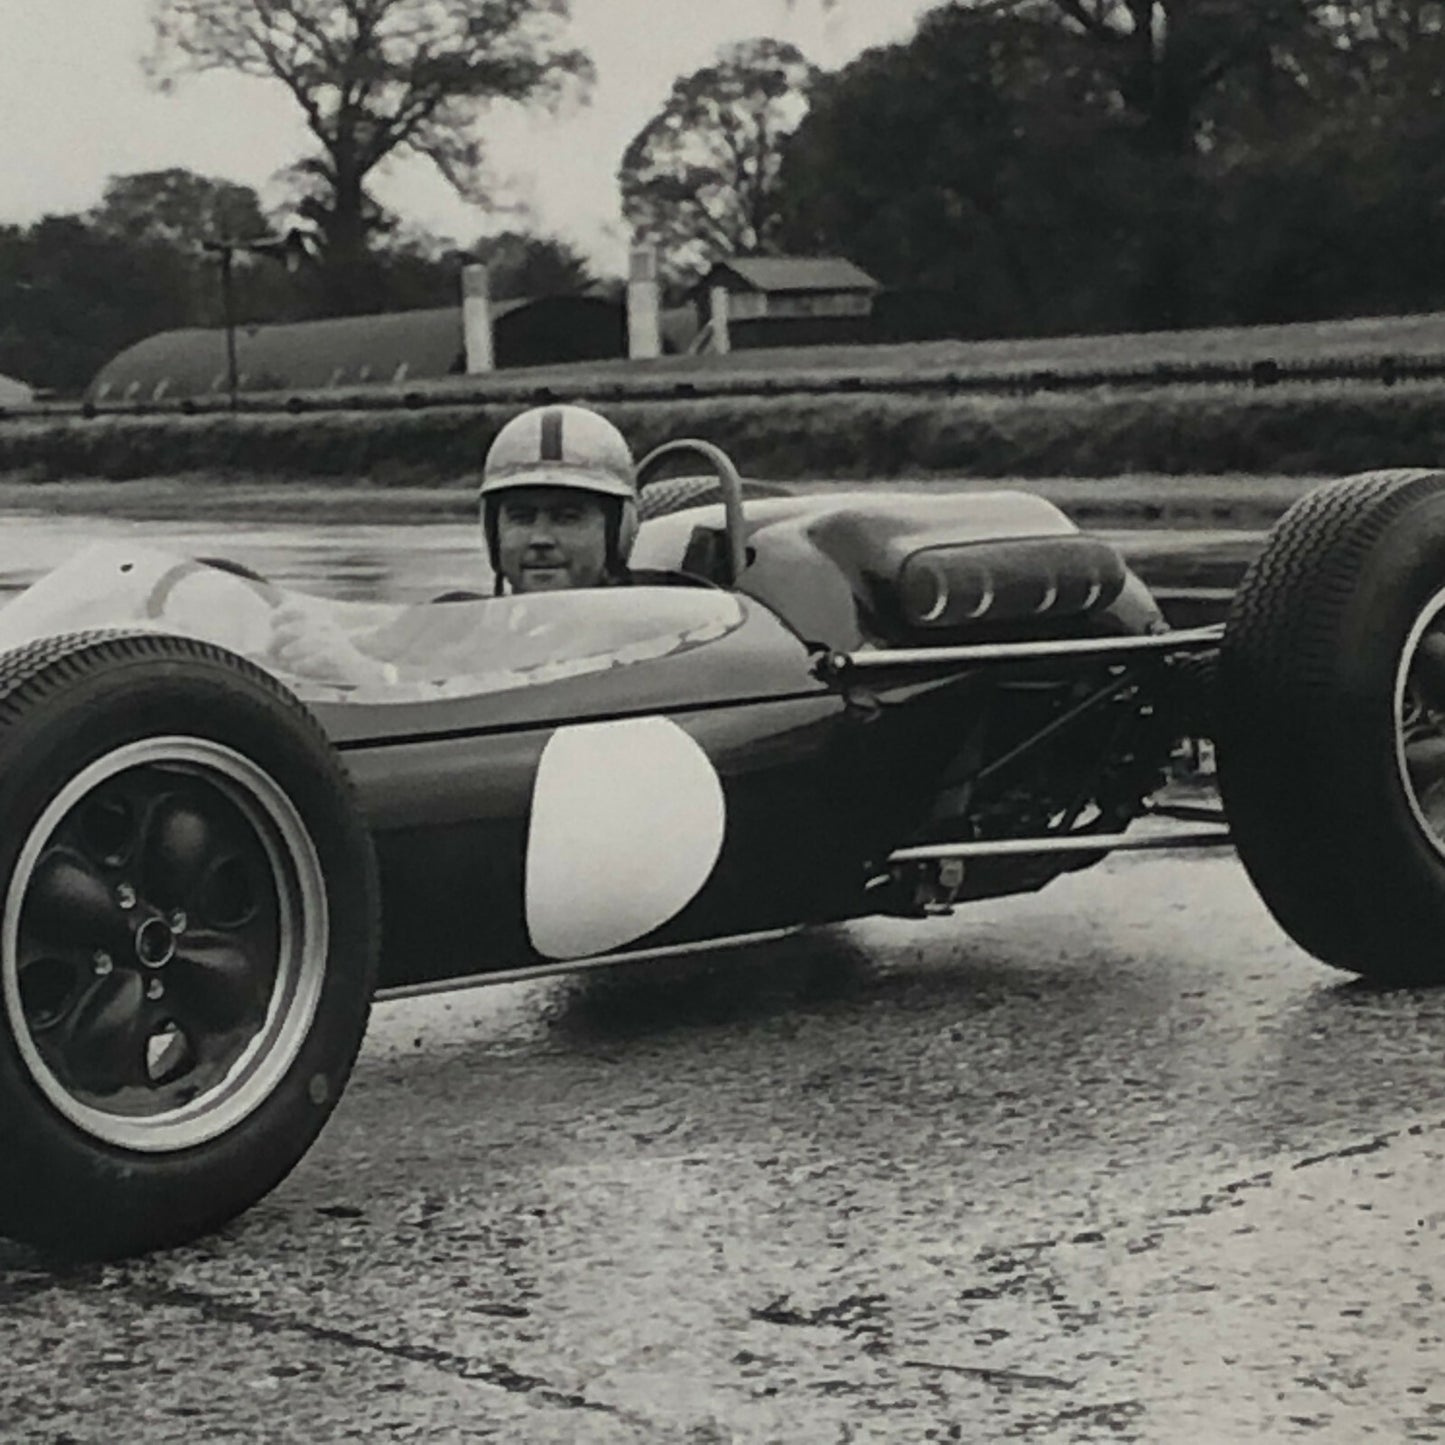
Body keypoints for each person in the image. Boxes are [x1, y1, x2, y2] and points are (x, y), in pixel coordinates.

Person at [269, 403, 641, 688]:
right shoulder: (457, 619)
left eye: (567, 517)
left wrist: (370, 676)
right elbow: (370, 640)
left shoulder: (644, 632)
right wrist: (298, 636)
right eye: (521, 517)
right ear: (491, 530)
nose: (540, 539)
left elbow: (530, 700)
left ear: (617, 529)